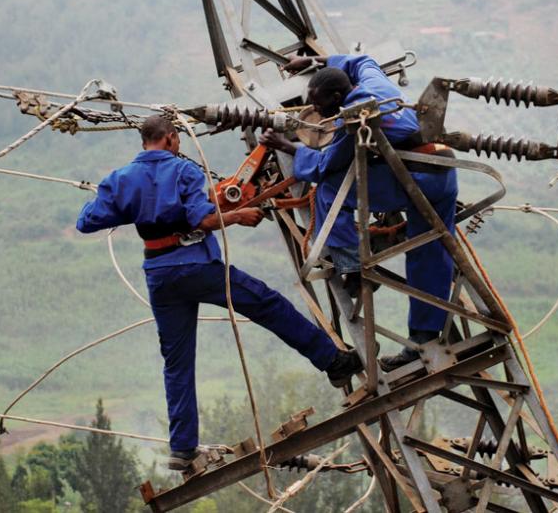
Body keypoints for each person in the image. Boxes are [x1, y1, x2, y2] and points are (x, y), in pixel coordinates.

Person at [76, 116, 362, 471]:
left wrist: (129, 201)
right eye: (177, 139)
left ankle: (182, 449)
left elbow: (87, 220)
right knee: (266, 304)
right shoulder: (183, 171)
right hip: (196, 265)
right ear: (169, 138)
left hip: (160, 275)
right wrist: (239, 215)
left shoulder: (120, 179)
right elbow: (202, 219)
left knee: (177, 362)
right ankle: (332, 361)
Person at [260, 54, 458, 372]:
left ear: (338, 98)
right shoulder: (373, 82)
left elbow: (324, 167)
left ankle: (351, 263)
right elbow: (361, 60)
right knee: (429, 254)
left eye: (320, 103)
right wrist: (316, 60)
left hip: (415, 180)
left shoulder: (353, 120)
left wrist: (288, 146)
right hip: (443, 171)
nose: (315, 110)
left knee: (330, 191)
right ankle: (425, 338)